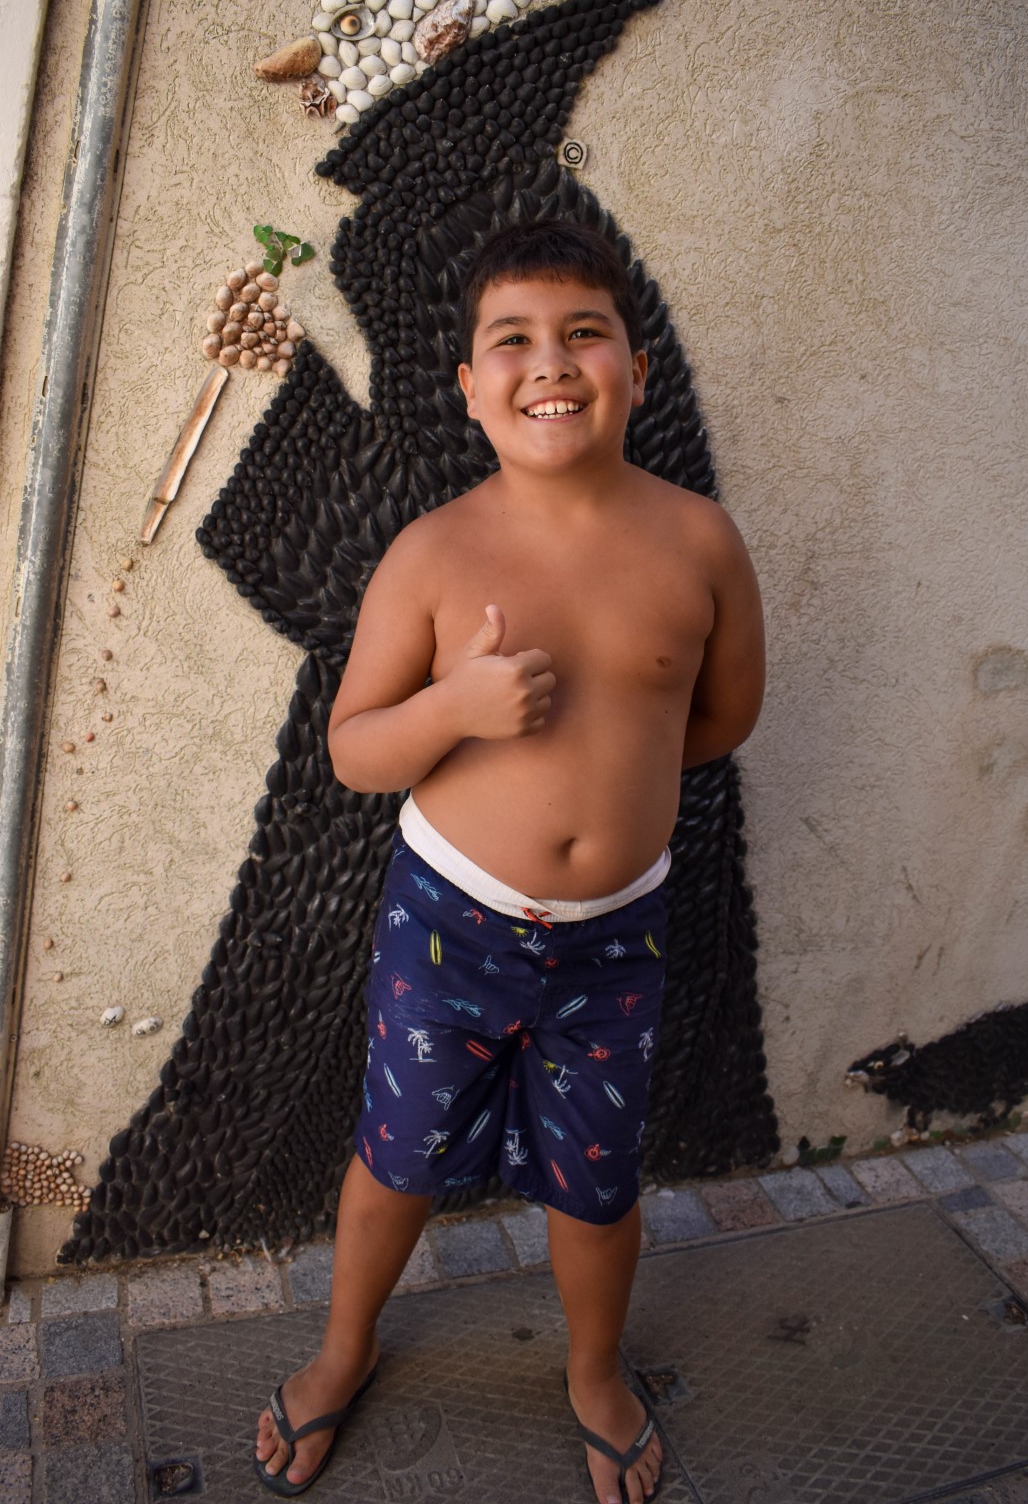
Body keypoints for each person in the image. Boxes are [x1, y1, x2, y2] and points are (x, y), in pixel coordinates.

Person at [254, 219, 765, 1503]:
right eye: (515, 342)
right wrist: (456, 714)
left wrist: (611, 801)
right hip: (452, 926)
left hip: (617, 939)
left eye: (585, 333)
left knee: (598, 1182)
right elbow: (357, 749)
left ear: (636, 372)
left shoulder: (699, 542)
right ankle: (341, 1350)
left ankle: (595, 1371)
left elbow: (723, 718)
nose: (554, 362)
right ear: (473, 388)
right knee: (397, 1156)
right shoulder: (434, 554)